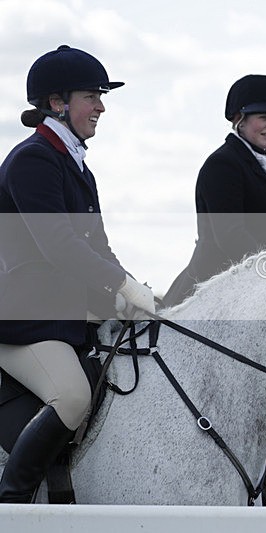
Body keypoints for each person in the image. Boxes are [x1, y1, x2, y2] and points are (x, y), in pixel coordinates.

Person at [0, 45, 155, 503]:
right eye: (92, 96)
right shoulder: (32, 159)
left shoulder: (76, 165)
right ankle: (12, 500)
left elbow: (98, 246)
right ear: (57, 103)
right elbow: (60, 246)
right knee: (71, 398)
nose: (102, 106)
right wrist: (121, 284)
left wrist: (127, 294)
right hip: (24, 321)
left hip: (65, 313)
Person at [162, 74, 266, 307]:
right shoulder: (223, 164)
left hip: (257, 282)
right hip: (214, 287)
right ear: (239, 120)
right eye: (264, 117)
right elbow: (231, 236)